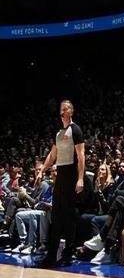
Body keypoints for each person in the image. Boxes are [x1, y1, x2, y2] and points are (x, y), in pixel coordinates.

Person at [37, 100, 85, 267]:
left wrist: (80, 178)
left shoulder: (75, 130)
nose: (62, 111)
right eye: (61, 109)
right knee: (56, 215)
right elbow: (52, 154)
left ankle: (68, 254)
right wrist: (42, 170)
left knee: (68, 216)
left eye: (65, 109)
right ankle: (52, 255)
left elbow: (81, 155)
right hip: (61, 175)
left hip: (71, 173)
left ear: (71, 111)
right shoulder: (58, 133)